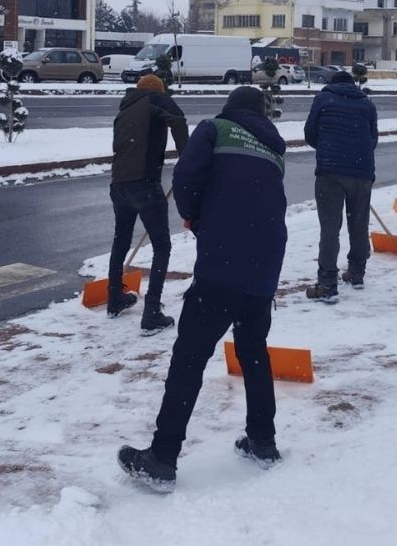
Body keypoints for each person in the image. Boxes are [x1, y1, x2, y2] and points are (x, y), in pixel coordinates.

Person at [118, 86, 288, 492]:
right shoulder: (274, 147)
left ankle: (161, 457)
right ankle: (263, 441)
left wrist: (192, 215)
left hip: (224, 264)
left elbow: (185, 177)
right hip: (265, 266)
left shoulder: (214, 129)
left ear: (230, 108)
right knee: (253, 351)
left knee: (190, 356)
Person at [107, 73, 189, 334]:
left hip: (119, 185)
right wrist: (187, 158)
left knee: (121, 240)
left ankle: (115, 299)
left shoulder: (125, 109)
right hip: (145, 184)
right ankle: (151, 313)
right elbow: (178, 119)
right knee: (162, 246)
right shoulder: (155, 99)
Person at [303, 70, 378, 302]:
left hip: (330, 172)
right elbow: (373, 138)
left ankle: (327, 283)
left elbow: (309, 134)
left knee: (330, 227)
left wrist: (328, 150)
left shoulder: (324, 99)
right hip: (362, 172)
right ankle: (356, 273)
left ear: (332, 84)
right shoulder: (366, 103)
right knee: (359, 222)